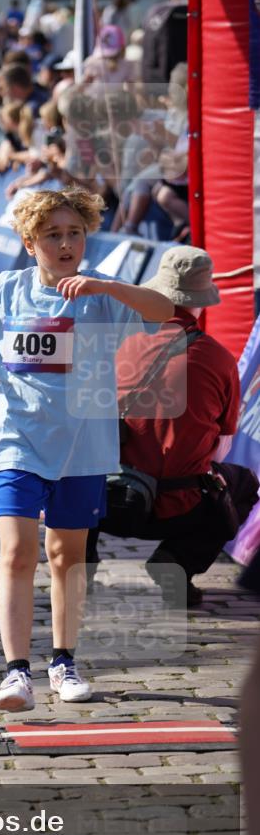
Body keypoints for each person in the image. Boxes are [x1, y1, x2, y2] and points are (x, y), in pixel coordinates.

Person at [0, 187, 174, 711]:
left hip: (83, 448)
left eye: (74, 234)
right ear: (28, 243)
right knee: (17, 553)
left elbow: (164, 307)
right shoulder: (6, 291)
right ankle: (16, 673)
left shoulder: (103, 295)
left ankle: (64, 661)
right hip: (16, 440)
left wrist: (110, 287)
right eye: (52, 235)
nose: (65, 244)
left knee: (67, 556)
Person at [86, 246, 259, 606]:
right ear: (202, 301)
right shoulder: (220, 359)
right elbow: (220, 448)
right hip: (177, 506)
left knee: (73, 472)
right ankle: (177, 563)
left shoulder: (115, 342)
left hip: (103, 499)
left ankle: (76, 563)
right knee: (242, 483)